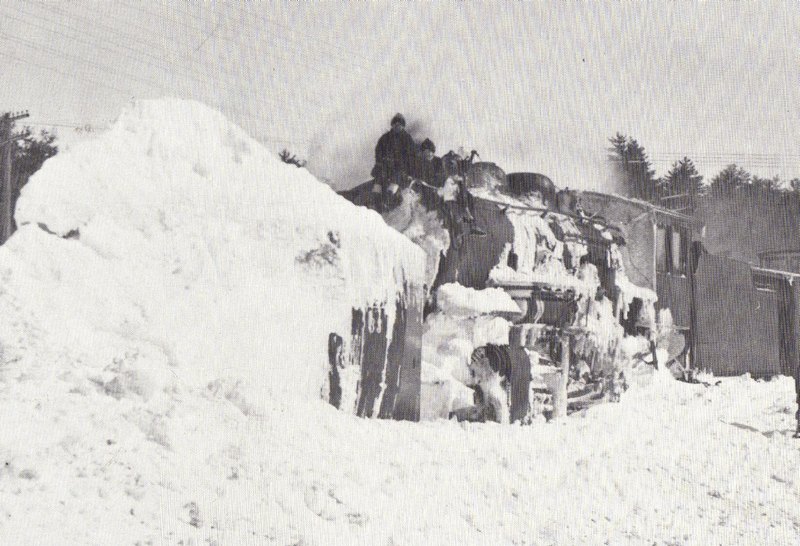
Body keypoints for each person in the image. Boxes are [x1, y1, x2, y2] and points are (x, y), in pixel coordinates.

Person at [371, 113, 416, 211]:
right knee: (379, 178)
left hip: (400, 168)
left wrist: (410, 172)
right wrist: (380, 162)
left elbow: (412, 157)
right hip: (385, 165)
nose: (397, 126)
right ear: (392, 125)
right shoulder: (385, 138)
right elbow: (378, 151)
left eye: (400, 124)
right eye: (395, 124)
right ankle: (376, 202)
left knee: (396, 178)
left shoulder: (407, 139)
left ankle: (388, 199)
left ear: (403, 126)